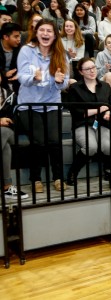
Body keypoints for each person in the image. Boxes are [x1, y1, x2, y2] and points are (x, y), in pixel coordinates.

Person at [17, 19, 70, 192]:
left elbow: (65, 82)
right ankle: (36, 179)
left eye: (49, 31)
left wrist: (60, 82)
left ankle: (58, 178)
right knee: (38, 142)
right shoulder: (26, 51)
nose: (46, 34)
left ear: (55, 36)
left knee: (55, 141)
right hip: (29, 105)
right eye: (42, 30)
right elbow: (22, 77)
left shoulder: (60, 54)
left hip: (52, 104)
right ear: (36, 32)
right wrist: (34, 78)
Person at [66, 57, 111, 185]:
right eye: (87, 69)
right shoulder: (74, 88)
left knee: (109, 146)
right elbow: (77, 112)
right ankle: (73, 172)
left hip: (102, 123)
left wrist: (108, 114)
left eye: (93, 67)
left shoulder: (105, 86)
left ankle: (107, 170)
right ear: (81, 72)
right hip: (82, 124)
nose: (91, 71)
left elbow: (110, 106)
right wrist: (98, 110)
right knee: (91, 147)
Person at [0, 70, 29, 200]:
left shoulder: (10, 95)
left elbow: (17, 118)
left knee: (3, 132)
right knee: (5, 147)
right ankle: (7, 186)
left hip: (9, 131)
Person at [0, 22, 21, 94]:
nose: (19, 39)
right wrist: (4, 74)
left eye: (19, 36)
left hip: (16, 85)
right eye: (16, 37)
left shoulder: (21, 49)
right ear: (6, 37)